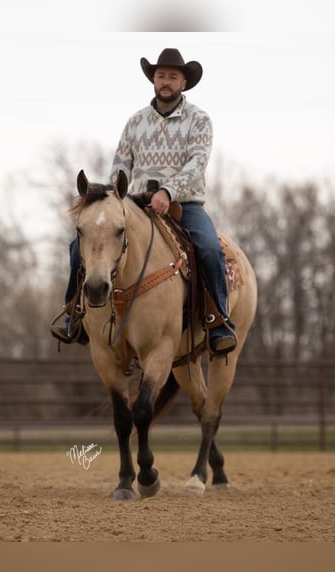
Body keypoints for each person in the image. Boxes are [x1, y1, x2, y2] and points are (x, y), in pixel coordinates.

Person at [51, 48, 237, 356]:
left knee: (208, 247)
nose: (165, 82)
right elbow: (120, 165)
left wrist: (167, 191)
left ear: (183, 83)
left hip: (184, 204)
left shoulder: (199, 120)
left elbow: (197, 163)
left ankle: (218, 320)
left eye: (172, 77)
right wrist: (115, 197)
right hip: (134, 203)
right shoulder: (136, 122)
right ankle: (73, 312)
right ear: (153, 79)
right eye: (161, 76)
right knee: (78, 246)